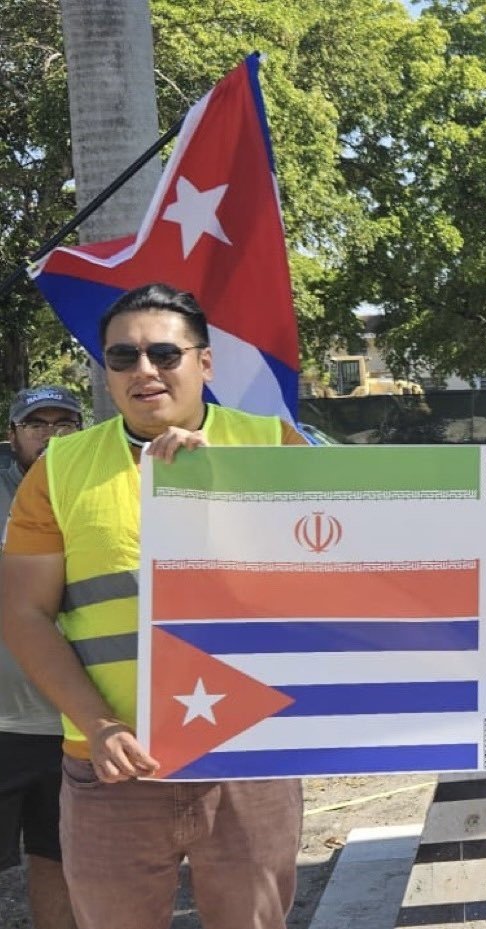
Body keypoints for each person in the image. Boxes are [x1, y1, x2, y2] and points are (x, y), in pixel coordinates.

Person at [0, 283, 310, 929]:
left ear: (204, 362)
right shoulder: (58, 469)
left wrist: (228, 488)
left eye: (165, 352)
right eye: (122, 357)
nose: (144, 370)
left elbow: (334, 580)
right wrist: (100, 724)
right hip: (112, 763)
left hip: (248, 755)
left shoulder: (275, 447)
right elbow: (24, 613)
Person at [2, 385, 82, 929]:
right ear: (14, 436)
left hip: (75, 723)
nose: (51, 436)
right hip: (2, 725)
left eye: (64, 424)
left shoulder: (103, 491)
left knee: (60, 862)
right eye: (38, 425)